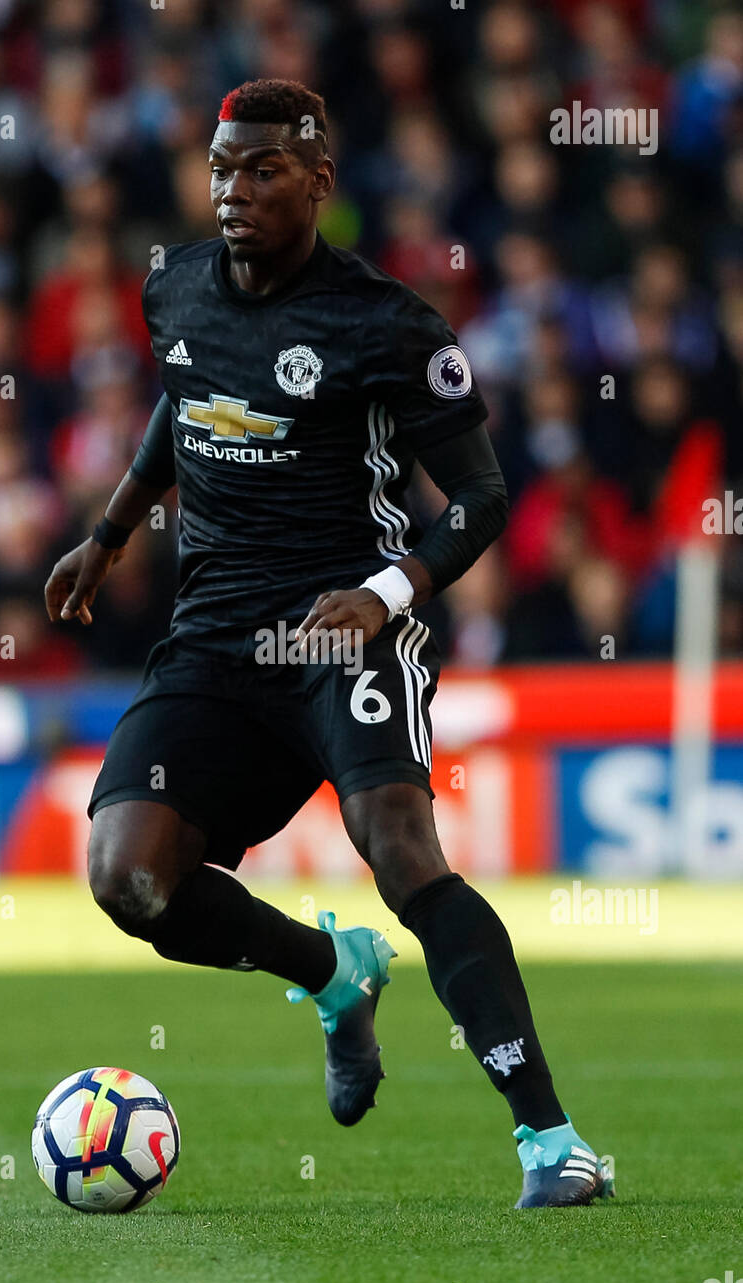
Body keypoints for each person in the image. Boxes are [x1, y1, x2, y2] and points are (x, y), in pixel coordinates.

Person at [45, 79, 612, 1208]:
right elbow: (185, 399)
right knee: (129, 877)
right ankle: (331, 974)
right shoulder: (174, 287)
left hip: (340, 629)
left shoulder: (385, 324)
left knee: (400, 846)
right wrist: (108, 533)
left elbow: (484, 499)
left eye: (263, 170)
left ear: (319, 181)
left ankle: (551, 1139)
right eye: (221, 168)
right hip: (213, 640)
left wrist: (386, 591)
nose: (235, 191)